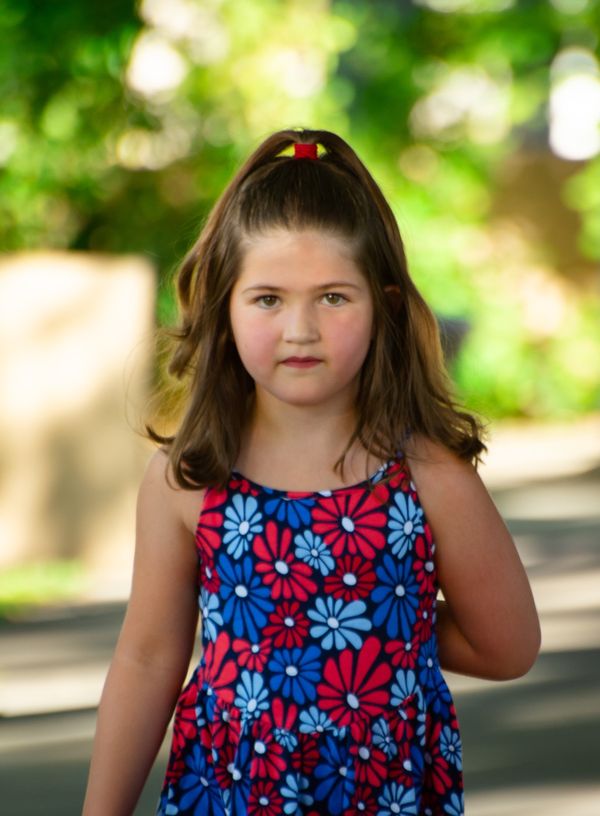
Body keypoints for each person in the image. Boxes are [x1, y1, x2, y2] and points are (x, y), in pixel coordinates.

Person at [82, 128, 541, 816]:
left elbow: (507, 647)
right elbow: (147, 659)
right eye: (267, 299)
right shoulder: (189, 480)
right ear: (224, 308)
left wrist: (385, 626)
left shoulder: (429, 480)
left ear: (384, 304)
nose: (300, 328)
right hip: (228, 798)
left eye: (332, 297)